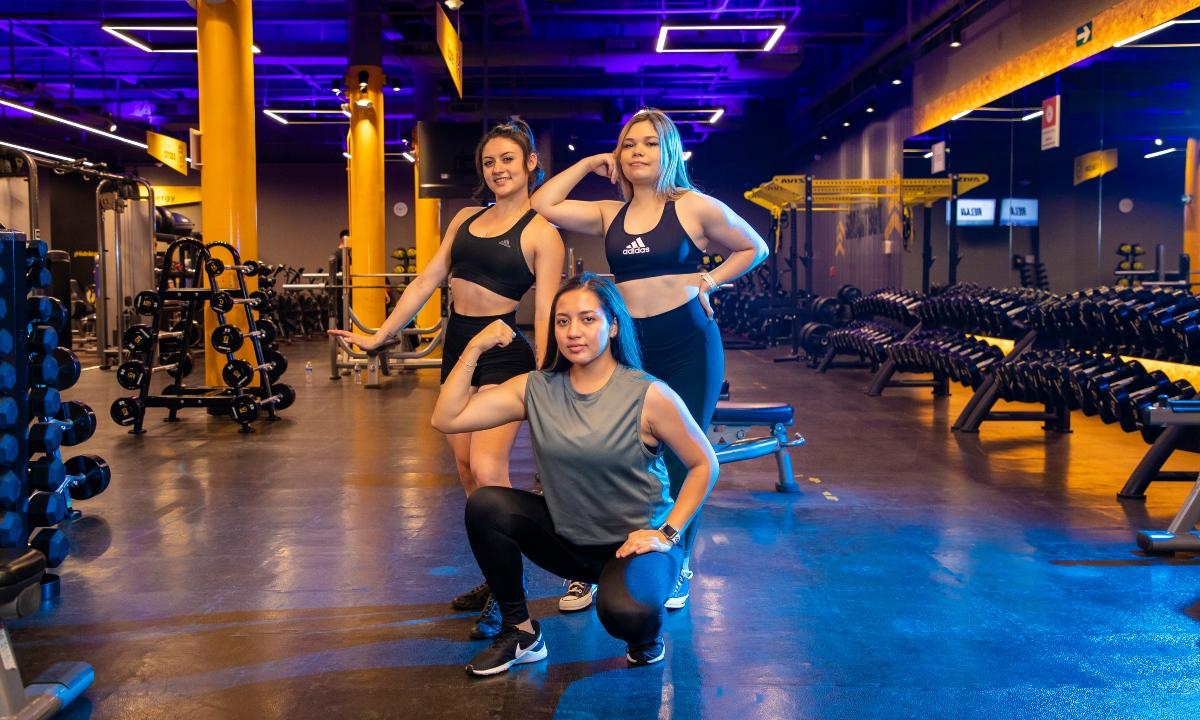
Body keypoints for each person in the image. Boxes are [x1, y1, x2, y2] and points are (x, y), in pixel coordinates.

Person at [328, 119, 564, 638]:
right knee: (465, 471)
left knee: (488, 470)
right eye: (489, 162)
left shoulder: (543, 233)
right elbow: (426, 281)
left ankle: (512, 600)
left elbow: (545, 312)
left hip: (504, 356)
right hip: (459, 352)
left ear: (529, 165)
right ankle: (495, 571)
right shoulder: (464, 218)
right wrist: (380, 336)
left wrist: (548, 378)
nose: (498, 169)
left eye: (508, 159)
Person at [531, 108, 768, 611]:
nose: (637, 152)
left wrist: (710, 280)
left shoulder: (693, 205)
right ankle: (591, 565)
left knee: (685, 457)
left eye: (649, 144)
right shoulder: (607, 214)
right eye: (628, 144)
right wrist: (593, 161)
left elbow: (755, 247)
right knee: (608, 453)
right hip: (631, 344)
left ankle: (676, 558)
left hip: (687, 341)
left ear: (669, 152)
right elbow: (543, 202)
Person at [431, 274, 719, 675]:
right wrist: (475, 347)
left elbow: (705, 464)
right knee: (486, 504)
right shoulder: (537, 387)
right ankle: (520, 632)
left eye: (587, 319)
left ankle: (647, 639)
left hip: (634, 545)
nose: (573, 332)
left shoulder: (649, 394)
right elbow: (446, 418)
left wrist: (668, 533)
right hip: (568, 540)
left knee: (624, 614)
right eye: (562, 321)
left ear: (613, 325)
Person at [328, 229, 351, 329]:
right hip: (341, 289)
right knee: (343, 314)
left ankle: (344, 340)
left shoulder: (336, 253)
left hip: (339, 288)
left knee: (342, 313)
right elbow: (347, 272)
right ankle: (344, 340)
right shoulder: (341, 254)